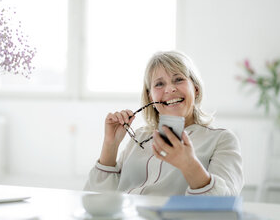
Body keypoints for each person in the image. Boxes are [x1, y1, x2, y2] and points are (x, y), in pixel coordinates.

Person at [84, 50, 244, 196]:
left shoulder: (222, 140)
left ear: (195, 89)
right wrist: (110, 145)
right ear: (150, 97)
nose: (170, 89)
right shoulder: (139, 137)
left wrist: (189, 165)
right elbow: (96, 200)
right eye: (159, 84)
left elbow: (223, 206)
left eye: (178, 79)